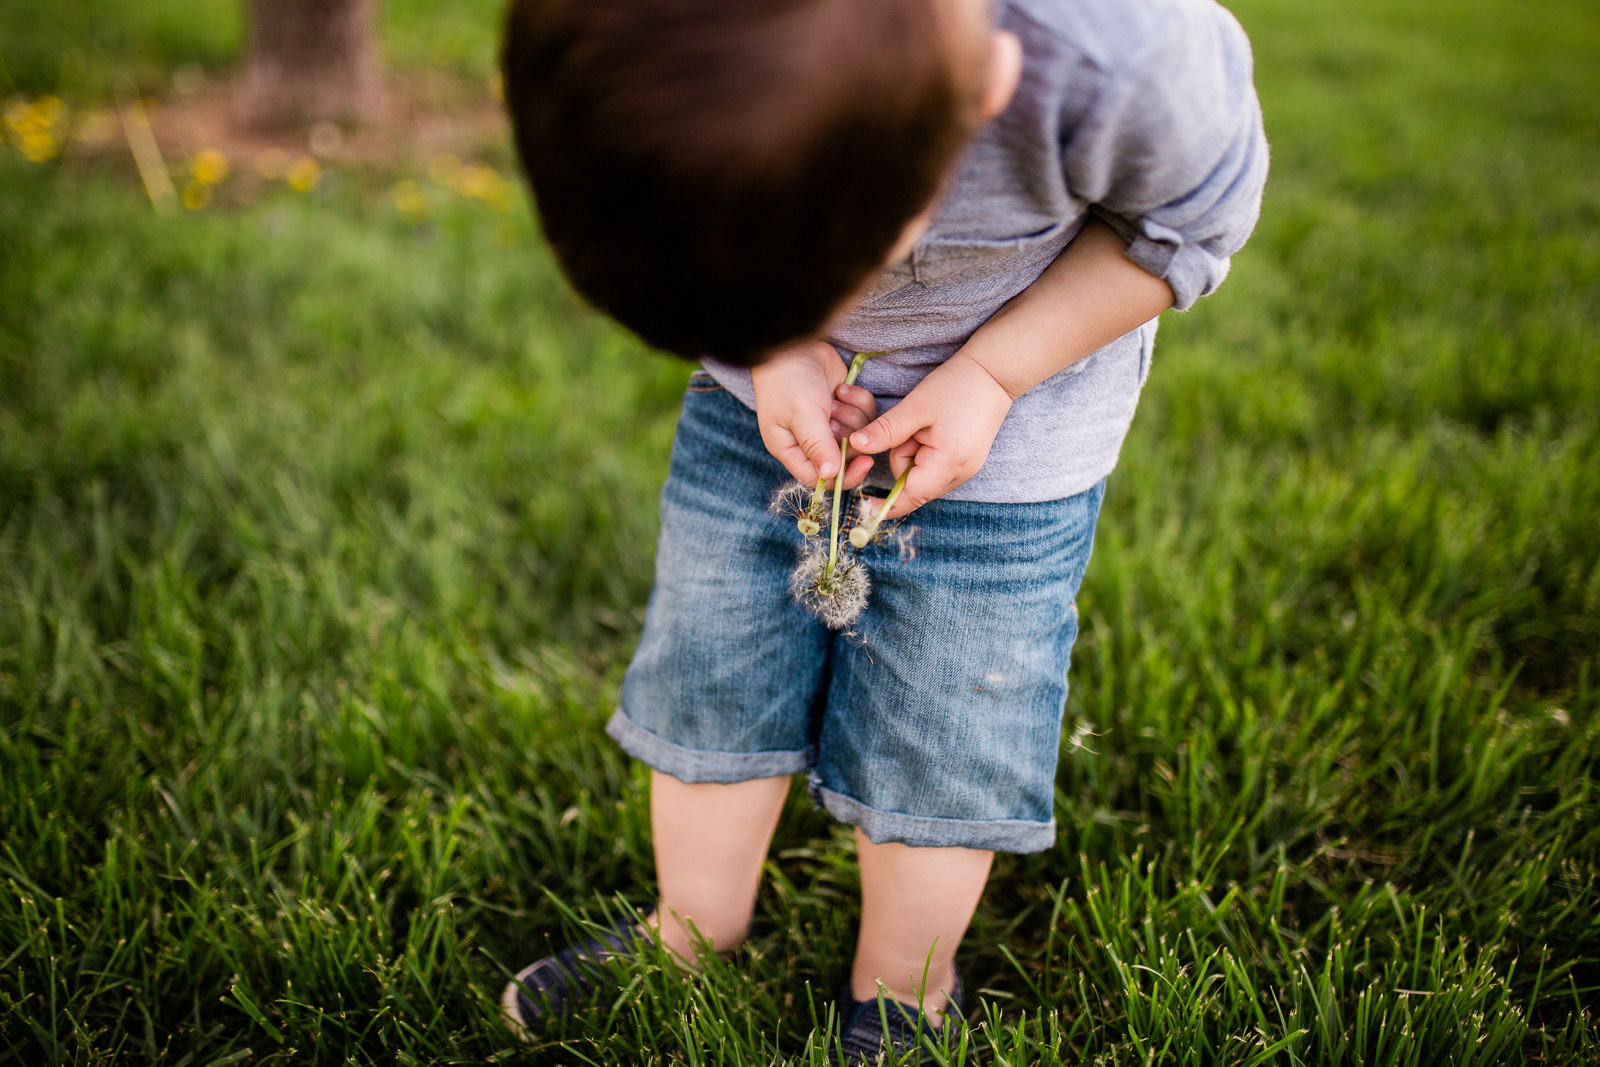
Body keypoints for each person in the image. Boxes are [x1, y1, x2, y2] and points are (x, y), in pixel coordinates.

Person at [498, 0, 1267, 1059]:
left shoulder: (1123, 54)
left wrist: (991, 374)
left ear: (987, 92)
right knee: (711, 665)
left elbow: (1185, 227)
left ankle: (906, 991)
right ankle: (689, 933)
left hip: (1010, 447)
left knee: (946, 730)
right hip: (757, 413)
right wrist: (771, 344)